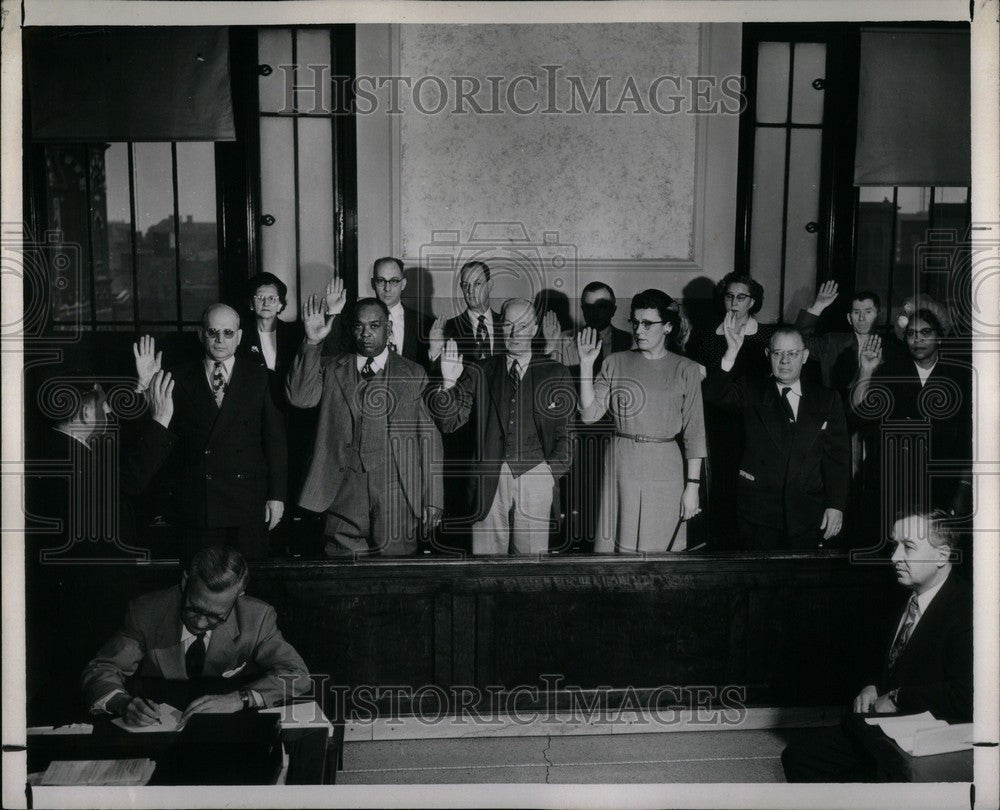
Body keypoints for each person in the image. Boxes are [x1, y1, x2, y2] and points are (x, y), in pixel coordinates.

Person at [781, 510, 972, 782]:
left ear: (942, 556)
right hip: (885, 728)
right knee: (799, 757)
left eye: (908, 547)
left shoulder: (969, 610)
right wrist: (871, 683)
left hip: (932, 737)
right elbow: (877, 653)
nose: (894, 558)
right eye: (895, 545)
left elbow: (967, 696)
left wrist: (896, 698)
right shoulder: (899, 591)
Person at [81, 545, 312, 726]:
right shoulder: (146, 612)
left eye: (215, 616)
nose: (200, 622)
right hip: (159, 727)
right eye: (194, 608)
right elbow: (101, 670)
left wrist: (240, 699)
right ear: (184, 582)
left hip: (231, 727)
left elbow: (297, 675)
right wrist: (123, 703)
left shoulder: (258, 617)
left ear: (239, 596)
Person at [286, 294, 443, 556]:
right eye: (359, 326)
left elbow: (430, 439)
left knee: (397, 578)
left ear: (388, 328)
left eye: (374, 325)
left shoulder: (413, 373)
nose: (366, 333)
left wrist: (434, 498)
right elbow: (300, 398)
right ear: (351, 328)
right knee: (344, 580)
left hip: (398, 493)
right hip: (341, 492)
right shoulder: (332, 367)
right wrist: (313, 342)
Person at [133, 305, 287, 561]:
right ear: (200, 334)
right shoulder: (177, 377)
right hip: (197, 503)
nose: (220, 340)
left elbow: (276, 441)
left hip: (248, 502)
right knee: (202, 584)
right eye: (213, 332)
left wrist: (277, 496)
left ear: (239, 336)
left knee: (250, 583)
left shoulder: (261, 377)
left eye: (228, 333)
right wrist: (144, 387)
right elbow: (150, 435)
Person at [431, 298, 575, 555]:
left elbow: (567, 435)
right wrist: (448, 382)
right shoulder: (481, 370)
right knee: (486, 565)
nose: (514, 333)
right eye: (508, 325)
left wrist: (548, 474)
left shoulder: (555, 372)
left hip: (536, 476)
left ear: (534, 329)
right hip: (489, 479)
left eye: (522, 326)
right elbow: (449, 422)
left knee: (531, 565)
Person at [576, 289, 706, 552]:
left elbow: (695, 432)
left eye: (648, 323)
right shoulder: (615, 362)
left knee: (659, 549)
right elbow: (589, 415)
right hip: (621, 463)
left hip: (665, 466)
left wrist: (692, 487)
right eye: (635, 322)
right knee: (615, 550)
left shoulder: (687, 369)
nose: (639, 330)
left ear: (668, 326)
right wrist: (587, 365)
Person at [703, 322, 849, 550]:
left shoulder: (827, 399)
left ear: (805, 356)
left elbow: (837, 458)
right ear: (767, 355)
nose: (785, 361)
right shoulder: (750, 389)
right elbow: (713, 395)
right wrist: (731, 352)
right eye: (778, 353)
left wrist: (836, 505)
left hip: (808, 513)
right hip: (758, 514)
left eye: (792, 354)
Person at [850, 306, 972, 522]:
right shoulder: (892, 371)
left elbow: (968, 440)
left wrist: (963, 488)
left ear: (939, 338)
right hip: (890, 481)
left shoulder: (959, 378)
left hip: (938, 486)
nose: (918, 340)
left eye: (926, 333)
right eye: (912, 334)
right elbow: (861, 413)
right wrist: (866, 370)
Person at [689, 273, 776, 547]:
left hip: (756, 425)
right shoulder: (705, 337)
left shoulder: (766, 336)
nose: (734, 302)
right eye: (729, 296)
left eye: (741, 297)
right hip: (716, 423)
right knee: (721, 489)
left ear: (753, 301)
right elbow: (701, 387)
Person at [238, 272, 312, 556]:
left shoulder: (295, 333)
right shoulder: (239, 335)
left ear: (281, 304)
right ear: (251, 303)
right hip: (255, 423)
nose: (267, 302)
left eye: (273, 298)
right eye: (261, 297)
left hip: (293, 420)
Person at [542, 281, 633, 371]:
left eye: (601, 306)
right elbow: (548, 378)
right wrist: (550, 346)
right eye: (589, 307)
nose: (595, 313)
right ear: (583, 310)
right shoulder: (562, 341)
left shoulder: (631, 341)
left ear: (613, 310)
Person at [428, 260, 504, 364]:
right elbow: (436, 374)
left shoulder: (507, 324)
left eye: (477, 284)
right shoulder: (447, 329)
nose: (470, 291)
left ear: (489, 285)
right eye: (465, 285)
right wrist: (435, 351)